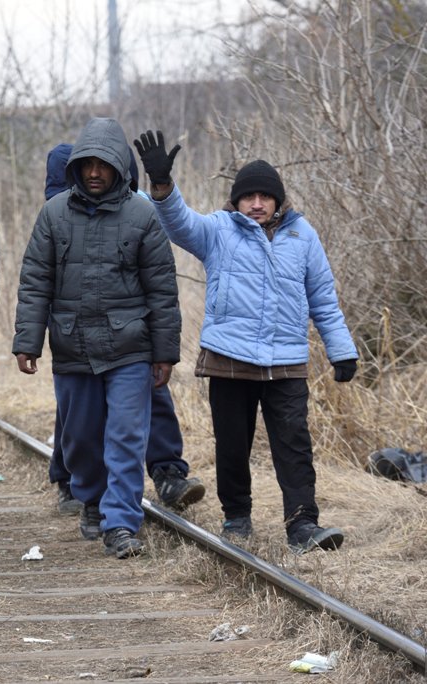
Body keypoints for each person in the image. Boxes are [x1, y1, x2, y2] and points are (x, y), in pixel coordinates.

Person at [133, 129, 358, 553]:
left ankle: (302, 525)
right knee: (233, 446)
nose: (256, 203)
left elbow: (323, 298)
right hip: (229, 358)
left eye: (265, 196)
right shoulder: (219, 230)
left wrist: (341, 350)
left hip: (286, 361)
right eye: (248, 196)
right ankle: (236, 517)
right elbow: (179, 222)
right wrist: (162, 185)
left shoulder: (303, 235)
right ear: (236, 201)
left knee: (294, 446)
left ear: (278, 200)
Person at [13, 119, 182, 559]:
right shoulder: (54, 214)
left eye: (103, 165)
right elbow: (35, 281)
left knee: (126, 436)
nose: (94, 172)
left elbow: (162, 290)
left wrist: (164, 353)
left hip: (130, 348)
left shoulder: (142, 215)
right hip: (72, 346)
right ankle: (90, 497)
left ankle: (121, 523)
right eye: (86, 164)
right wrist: (28, 341)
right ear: (75, 167)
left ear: (119, 167)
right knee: (81, 439)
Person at [43, 143, 204, 516]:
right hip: (76, 322)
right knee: (78, 408)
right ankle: (69, 478)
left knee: (147, 397)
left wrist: (161, 340)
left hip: (132, 328)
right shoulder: (59, 202)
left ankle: (166, 471)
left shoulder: (137, 206)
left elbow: (160, 273)